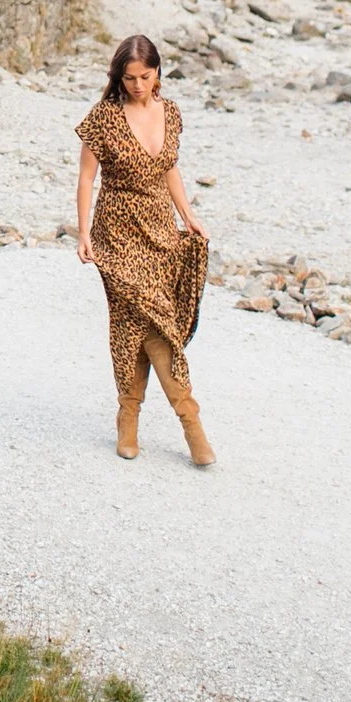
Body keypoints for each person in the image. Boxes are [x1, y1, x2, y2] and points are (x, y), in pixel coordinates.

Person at [74, 34, 214, 465]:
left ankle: (127, 416)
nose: (137, 85)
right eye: (129, 78)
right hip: (116, 232)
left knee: (139, 325)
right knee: (157, 326)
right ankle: (192, 425)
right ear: (119, 77)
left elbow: (169, 167)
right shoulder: (103, 117)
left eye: (145, 76)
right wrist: (83, 234)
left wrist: (187, 214)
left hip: (159, 229)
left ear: (158, 73)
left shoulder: (170, 112)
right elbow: (85, 179)